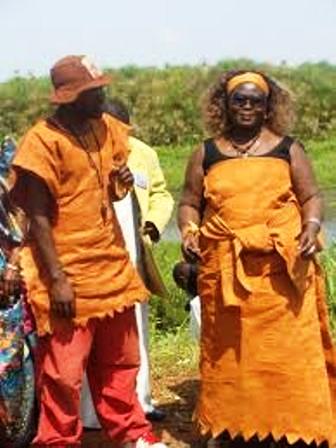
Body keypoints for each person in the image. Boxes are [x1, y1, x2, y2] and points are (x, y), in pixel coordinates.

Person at [10, 55, 167, 448]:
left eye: (101, 89)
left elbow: (110, 185)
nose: (102, 97)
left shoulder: (108, 128)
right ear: (67, 97)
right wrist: (58, 279)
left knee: (121, 360)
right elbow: (38, 216)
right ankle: (58, 441)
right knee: (63, 372)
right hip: (65, 270)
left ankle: (133, 435)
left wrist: (122, 182)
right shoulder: (41, 142)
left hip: (111, 266)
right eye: (93, 92)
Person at [178, 70, 336, 447]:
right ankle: (232, 427)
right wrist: (187, 231)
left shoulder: (288, 149)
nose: (247, 107)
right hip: (227, 272)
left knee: (286, 354)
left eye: (256, 101)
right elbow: (188, 202)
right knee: (232, 356)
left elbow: (312, 197)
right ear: (225, 105)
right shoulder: (207, 152)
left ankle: (295, 427)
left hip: (282, 270)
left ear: (268, 108)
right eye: (239, 100)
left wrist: (311, 227)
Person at [80, 99, 174, 426]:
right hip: (93, 257)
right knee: (94, 331)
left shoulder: (144, 153)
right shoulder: (82, 154)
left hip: (134, 252)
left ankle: (142, 402)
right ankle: (91, 414)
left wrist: (153, 224)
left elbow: (161, 194)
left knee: (136, 327)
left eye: (121, 128)